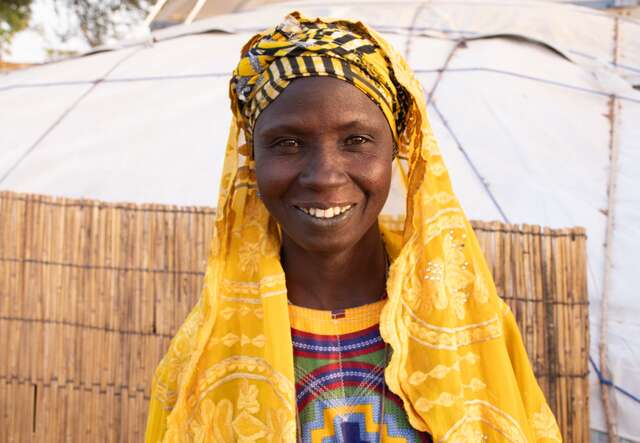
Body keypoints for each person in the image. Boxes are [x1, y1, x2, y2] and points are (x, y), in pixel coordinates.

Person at [145, 12, 561, 443]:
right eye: (287, 143)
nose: (324, 176)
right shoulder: (201, 356)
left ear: (396, 151)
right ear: (252, 161)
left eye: (356, 141)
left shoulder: (473, 329)